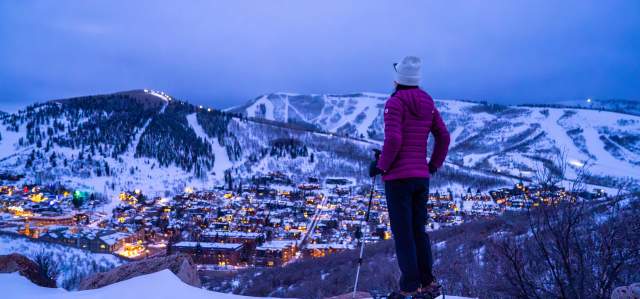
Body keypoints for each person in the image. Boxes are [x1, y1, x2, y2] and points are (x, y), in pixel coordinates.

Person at [370, 56, 450, 298]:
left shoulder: (394, 103)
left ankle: (408, 288)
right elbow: (443, 137)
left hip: (398, 180)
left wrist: (381, 166)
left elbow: (394, 140)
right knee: (418, 231)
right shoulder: (427, 101)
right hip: (420, 177)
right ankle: (427, 283)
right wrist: (433, 165)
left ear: (397, 79)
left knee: (404, 234)